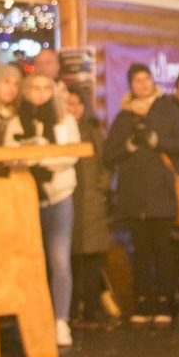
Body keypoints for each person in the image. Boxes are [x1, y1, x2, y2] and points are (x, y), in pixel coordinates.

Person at [104, 65, 179, 324]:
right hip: (134, 193)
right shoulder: (124, 116)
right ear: (131, 85)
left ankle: (165, 303)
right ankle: (143, 302)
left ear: (153, 81)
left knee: (163, 248)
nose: (143, 85)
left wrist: (158, 142)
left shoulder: (167, 109)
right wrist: (129, 146)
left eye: (146, 79)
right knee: (141, 250)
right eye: (137, 80)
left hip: (163, 191)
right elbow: (108, 155)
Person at [16, 71, 83, 348]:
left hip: (59, 195)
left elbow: (70, 155)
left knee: (59, 260)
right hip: (27, 197)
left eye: (46, 88)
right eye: (35, 88)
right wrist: (39, 157)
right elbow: (11, 156)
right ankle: (32, 320)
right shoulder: (16, 121)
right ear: (26, 91)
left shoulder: (64, 120)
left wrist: (41, 157)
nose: (41, 93)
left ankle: (60, 321)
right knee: (30, 261)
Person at [67, 86, 113, 325]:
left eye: (78, 104)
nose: (74, 109)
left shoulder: (93, 130)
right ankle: (73, 306)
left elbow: (106, 161)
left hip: (92, 199)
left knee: (93, 256)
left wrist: (102, 186)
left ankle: (92, 306)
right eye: (70, 104)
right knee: (71, 256)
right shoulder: (61, 130)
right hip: (68, 198)